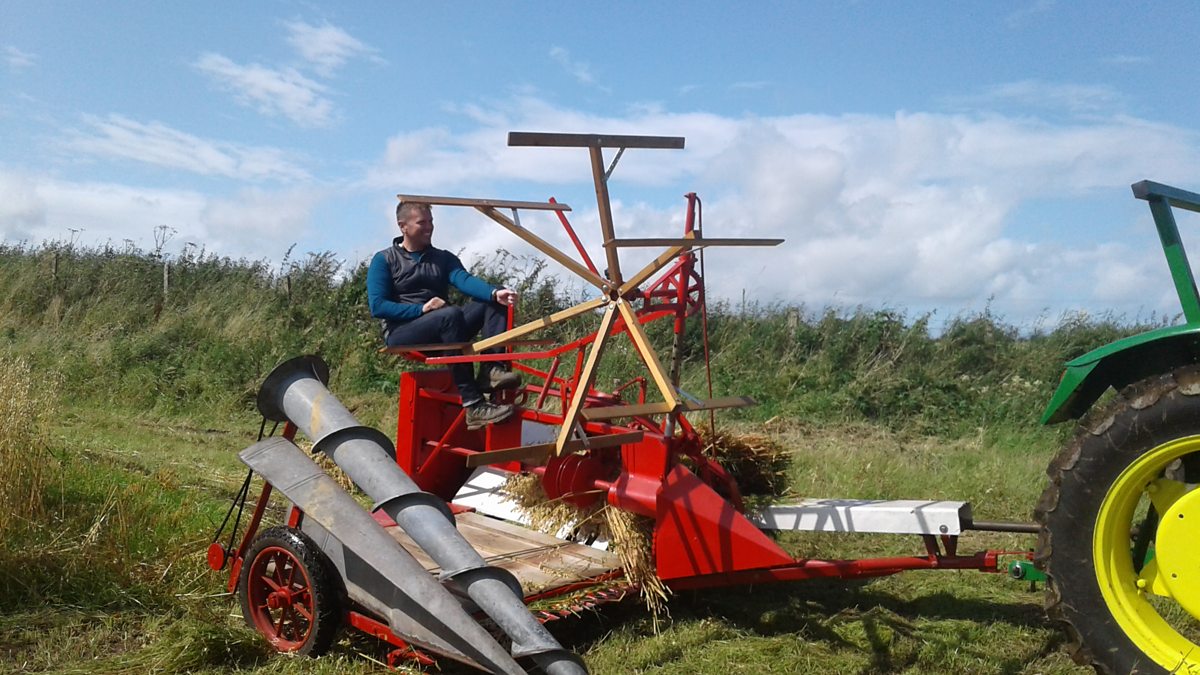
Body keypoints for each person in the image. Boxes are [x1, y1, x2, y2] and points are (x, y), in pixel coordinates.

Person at [367, 201, 521, 430]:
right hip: (402, 332)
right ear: (403, 226)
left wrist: (494, 292)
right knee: (449, 314)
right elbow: (378, 306)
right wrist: (421, 309)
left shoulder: (443, 258)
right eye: (422, 222)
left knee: (493, 299)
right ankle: (474, 405)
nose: (429, 227)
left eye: (431, 221)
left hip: (444, 326)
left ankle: (491, 370)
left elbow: (463, 279)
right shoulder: (384, 259)